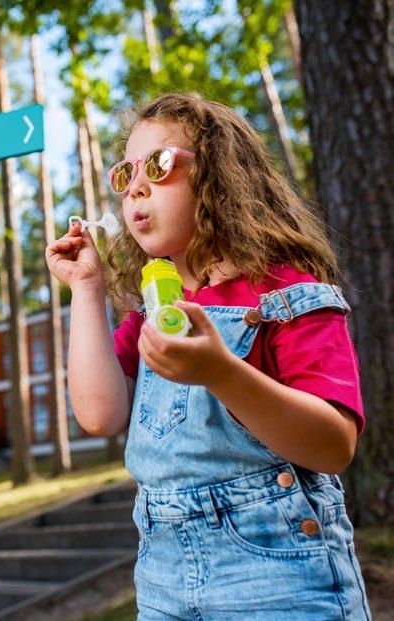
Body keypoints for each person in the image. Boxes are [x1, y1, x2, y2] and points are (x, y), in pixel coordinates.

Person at [46, 93, 371, 619]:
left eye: (159, 164)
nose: (137, 186)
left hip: (279, 575)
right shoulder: (153, 313)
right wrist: (87, 289)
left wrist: (222, 373)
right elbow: (99, 414)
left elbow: (333, 446)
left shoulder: (283, 293)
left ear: (222, 177)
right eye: (125, 173)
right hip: (163, 577)